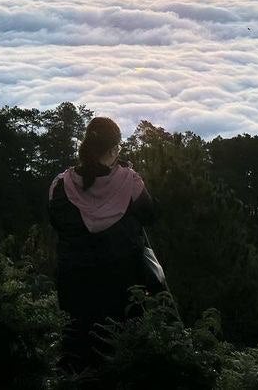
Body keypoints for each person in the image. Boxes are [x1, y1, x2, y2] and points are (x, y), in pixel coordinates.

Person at [48, 116, 156, 373]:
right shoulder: (130, 182)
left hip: (74, 283)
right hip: (122, 286)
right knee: (120, 355)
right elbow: (150, 215)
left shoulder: (61, 185)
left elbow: (56, 222)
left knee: (76, 351)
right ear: (113, 150)